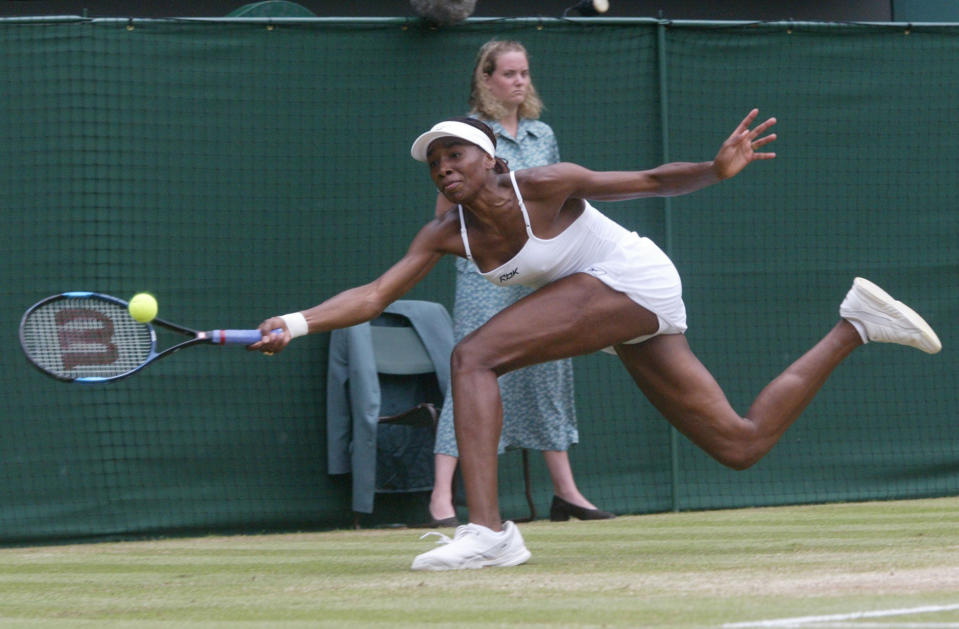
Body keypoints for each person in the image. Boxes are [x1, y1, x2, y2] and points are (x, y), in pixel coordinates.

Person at [251, 111, 941, 572]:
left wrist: (715, 168)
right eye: (432, 162)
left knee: (473, 354)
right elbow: (373, 297)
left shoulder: (543, 184)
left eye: (452, 153)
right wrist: (298, 321)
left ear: (489, 158)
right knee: (740, 443)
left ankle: (489, 530)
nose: (441, 167)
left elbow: (647, 183)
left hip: (629, 278)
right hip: (609, 310)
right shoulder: (445, 234)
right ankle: (855, 324)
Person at [427, 39, 612, 529]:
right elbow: (446, 214)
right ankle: (442, 498)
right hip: (485, 275)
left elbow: (556, 199)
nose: (519, 82)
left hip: (541, 270)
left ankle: (567, 493)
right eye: (508, 73)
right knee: (470, 371)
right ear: (485, 80)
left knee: (549, 373)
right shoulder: (465, 135)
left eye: (525, 73)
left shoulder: (541, 134)